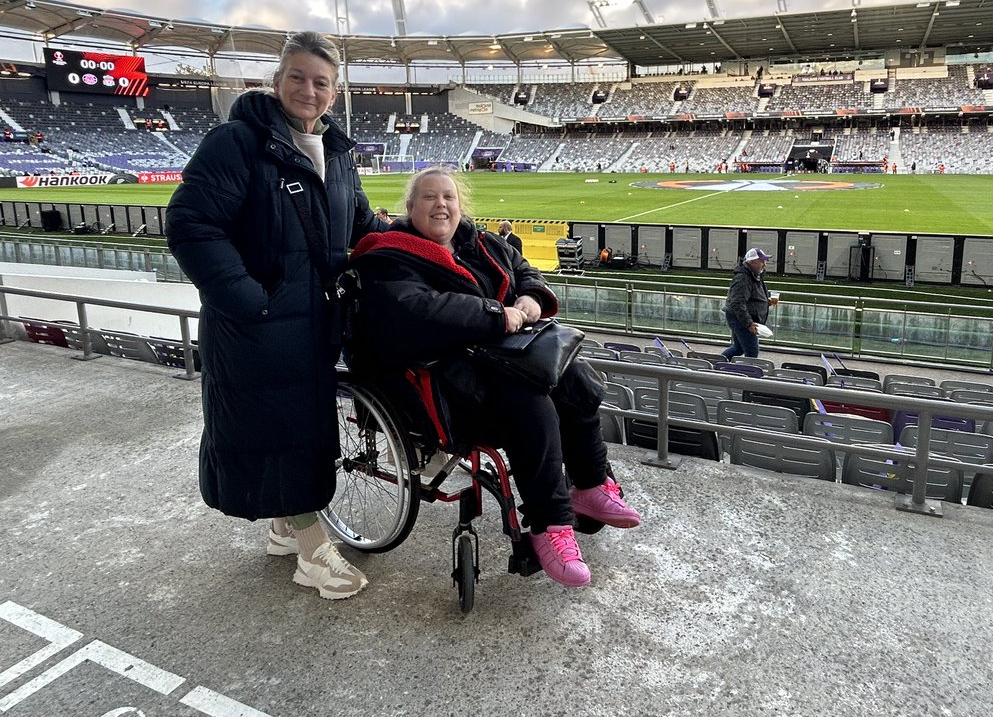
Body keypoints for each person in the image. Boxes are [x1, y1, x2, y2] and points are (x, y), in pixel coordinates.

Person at [165, 31, 388, 601]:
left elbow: (362, 229)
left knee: (300, 427)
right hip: (257, 327)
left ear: (334, 93)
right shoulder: (237, 142)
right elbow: (191, 225)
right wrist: (250, 300)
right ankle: (314, 552)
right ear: (276, 82)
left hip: (314, 324)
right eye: (298, 78)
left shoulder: (336, 155)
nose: (308, 91)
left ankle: (287, 525)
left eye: (321, 82)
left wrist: (427, 244)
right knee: (283, 429)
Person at [347, 167, 640, 588]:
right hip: (449, 386)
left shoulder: (480, 243)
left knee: (573, 376)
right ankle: (550, 524)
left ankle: (591, 484)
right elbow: (418, 308)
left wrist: (529, 297)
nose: (441, 205)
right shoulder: (389, 256)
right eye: (429, 198)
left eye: (448, 196)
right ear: (409, 209)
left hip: (499, 361)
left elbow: (524, 269)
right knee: (532, 401)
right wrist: (497, 315)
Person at [721, 247, 773, 360]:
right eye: (762, 261)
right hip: (741, 318)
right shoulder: (743, 278)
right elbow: (737, 303)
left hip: (741, 317)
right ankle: (747, 375)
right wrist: (748, 324)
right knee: (752, 351)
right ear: (752, 262)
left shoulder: (754, 275)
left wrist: (765, 302)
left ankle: (716, 364)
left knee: (738, 348)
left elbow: (751, 297)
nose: (764, 264)